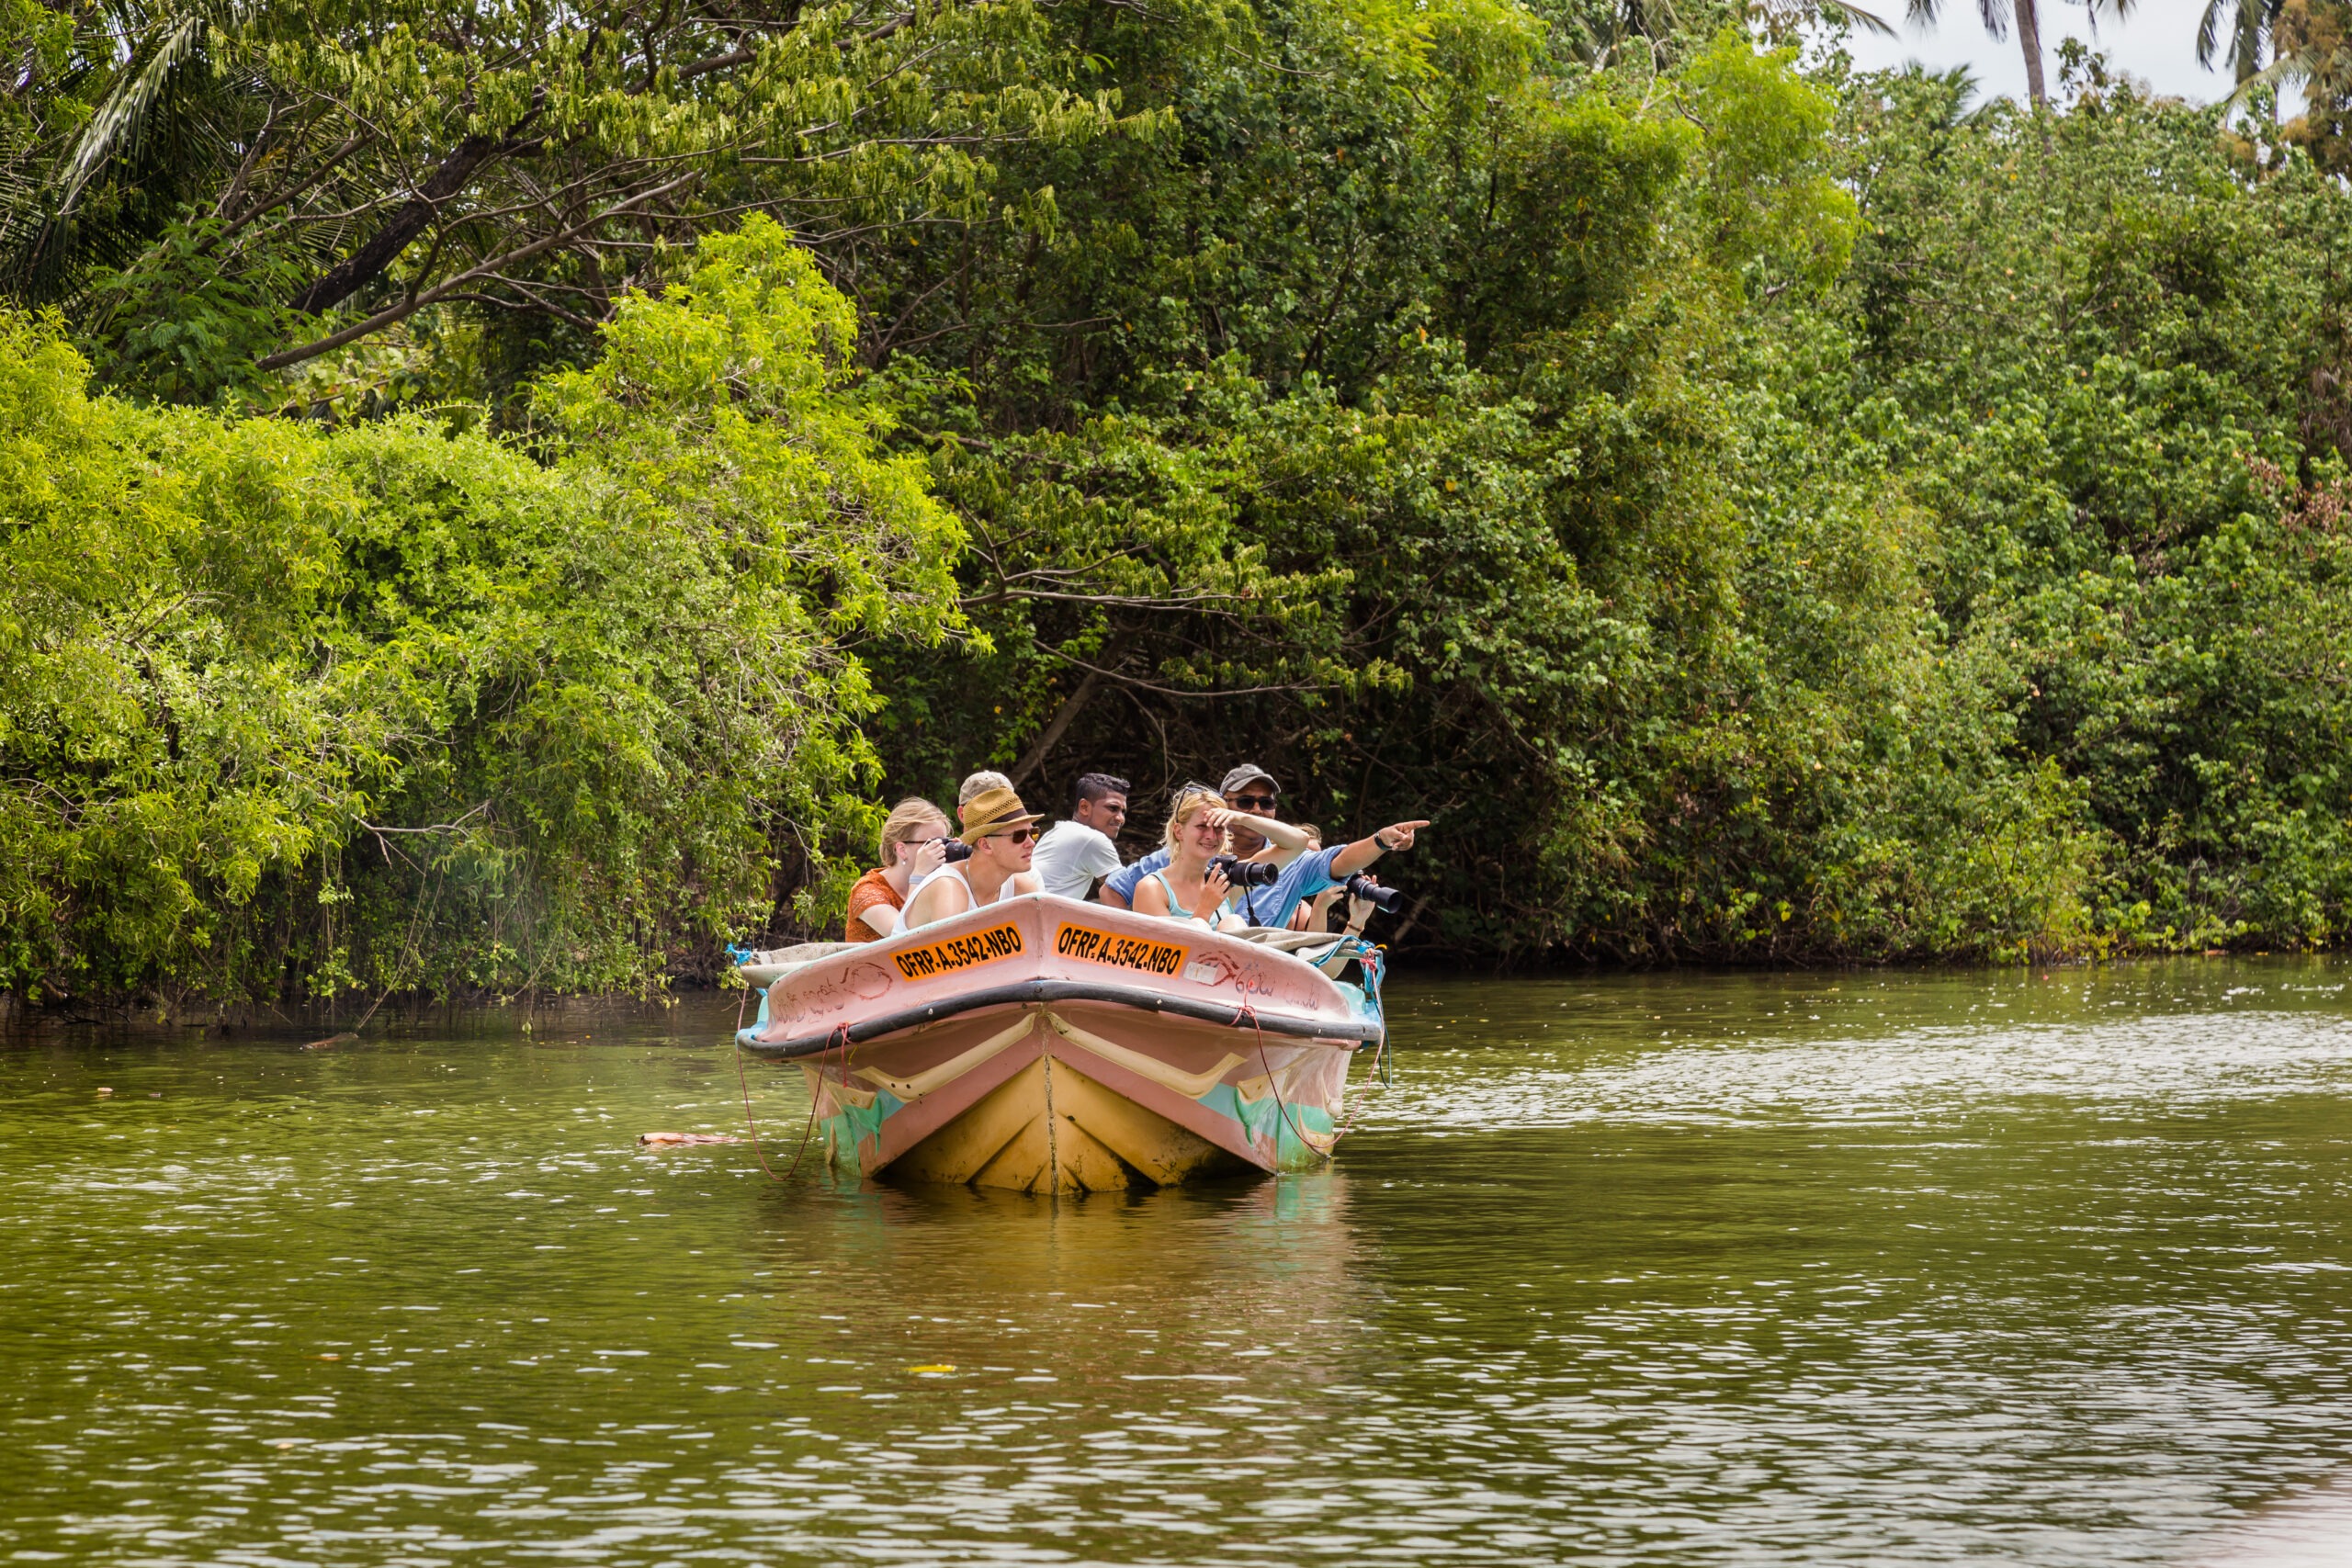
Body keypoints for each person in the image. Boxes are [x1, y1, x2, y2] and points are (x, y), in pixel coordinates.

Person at [1101, 762, 1288, 910]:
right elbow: (1113, 889)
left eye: (1266, 803)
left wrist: (1243, 817)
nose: (1256, 810)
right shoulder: (1166, 862)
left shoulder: (1230, 877)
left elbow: (1297, 843)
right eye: (1245, 802)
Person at [900, 784, 1046, 928]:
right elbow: (951, 949)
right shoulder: (949, 889)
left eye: (1033, 833)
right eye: (1019, 836)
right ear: (985, 845)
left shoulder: (1022, 888)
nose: (1031, 843)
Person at [1130, 786, 1274, 931]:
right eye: (1202, 826)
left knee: (1233, 921)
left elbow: (1296, 843)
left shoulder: (1222, 883)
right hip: (1187, 952)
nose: (1211, 836)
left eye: (1218, 827)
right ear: (1179, 831)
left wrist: (1241, 818)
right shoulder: (1151, 888)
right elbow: (1165, 950)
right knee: (1200, 925)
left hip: (1231, 953)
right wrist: (1205, 909)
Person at [844, 797, 951, 942]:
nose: (941, 850)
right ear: (902, 849)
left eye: (944, 842)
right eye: (932, 844)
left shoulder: (935, 883)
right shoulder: (867, 893)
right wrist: (918, 875)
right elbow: (905, 937)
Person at [1031, 773, 1129, 900]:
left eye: (1123, 811)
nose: (1120, 819)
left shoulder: (1058, 831)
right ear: (1084, 807)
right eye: (1113, 808)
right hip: (1037, 917)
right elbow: (1125, 891)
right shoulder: (1092, 839)